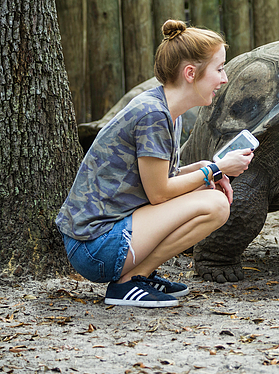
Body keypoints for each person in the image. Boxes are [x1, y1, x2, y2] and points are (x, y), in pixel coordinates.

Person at [55, 20, 254, 308]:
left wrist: (208, 167)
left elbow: (161, 179)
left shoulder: (164, 110)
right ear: (190, 73)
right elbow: (159, 193)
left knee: (208, 195)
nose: (224, 79)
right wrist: (215, 168)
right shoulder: (153, 115)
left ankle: (135, 278)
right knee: (216, 204)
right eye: (219, 69)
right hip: (94, 246)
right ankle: (128, 283)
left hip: (100, 238)